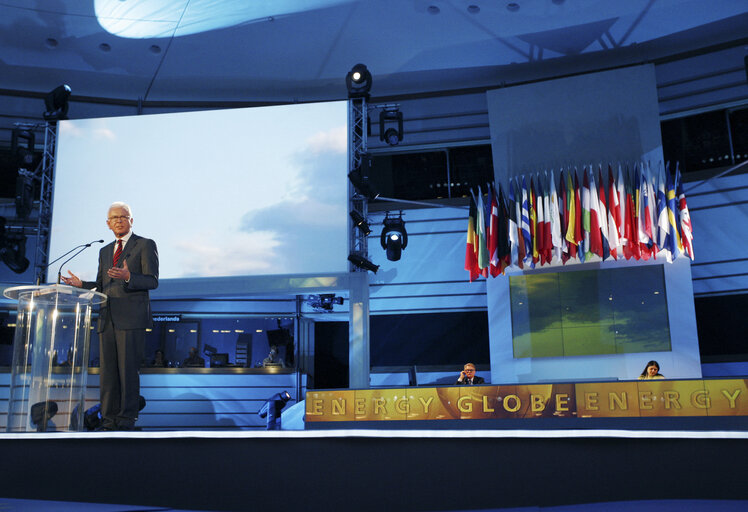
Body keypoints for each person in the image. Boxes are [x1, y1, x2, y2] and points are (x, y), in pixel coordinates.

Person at [61, 202, 159, 431]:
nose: (118, 220)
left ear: (131, 220)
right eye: (113, 217)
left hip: (131, 319)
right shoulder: (104, 251)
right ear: (107, 224)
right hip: (106, 319)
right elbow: (102, 285)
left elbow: (152, 281)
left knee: (127, 373)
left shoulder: (145, 245)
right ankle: (108, 420)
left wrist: (128, 276)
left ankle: (125, 420)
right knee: (108, 375)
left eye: (123, 216)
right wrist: (81, 285)